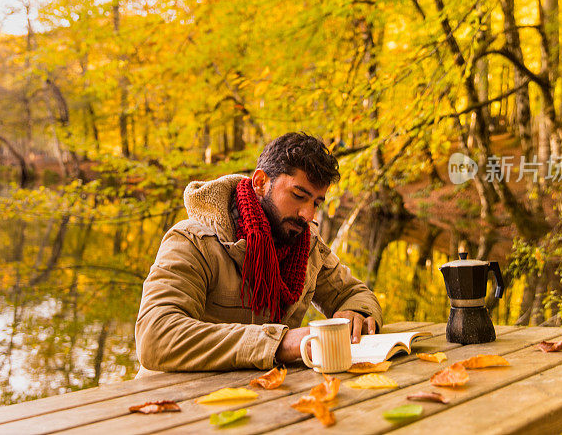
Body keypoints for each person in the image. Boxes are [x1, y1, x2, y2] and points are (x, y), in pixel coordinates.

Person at [135, 132, 382, 373]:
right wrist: (279, 343)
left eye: (316, 203)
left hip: (262, 399)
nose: (308, 215)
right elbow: (155, 336)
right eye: (298, 195)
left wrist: (357, 313)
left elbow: (354, 293)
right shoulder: (193, 241)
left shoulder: (305, 245)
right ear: (261, 182)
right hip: (174, 403)